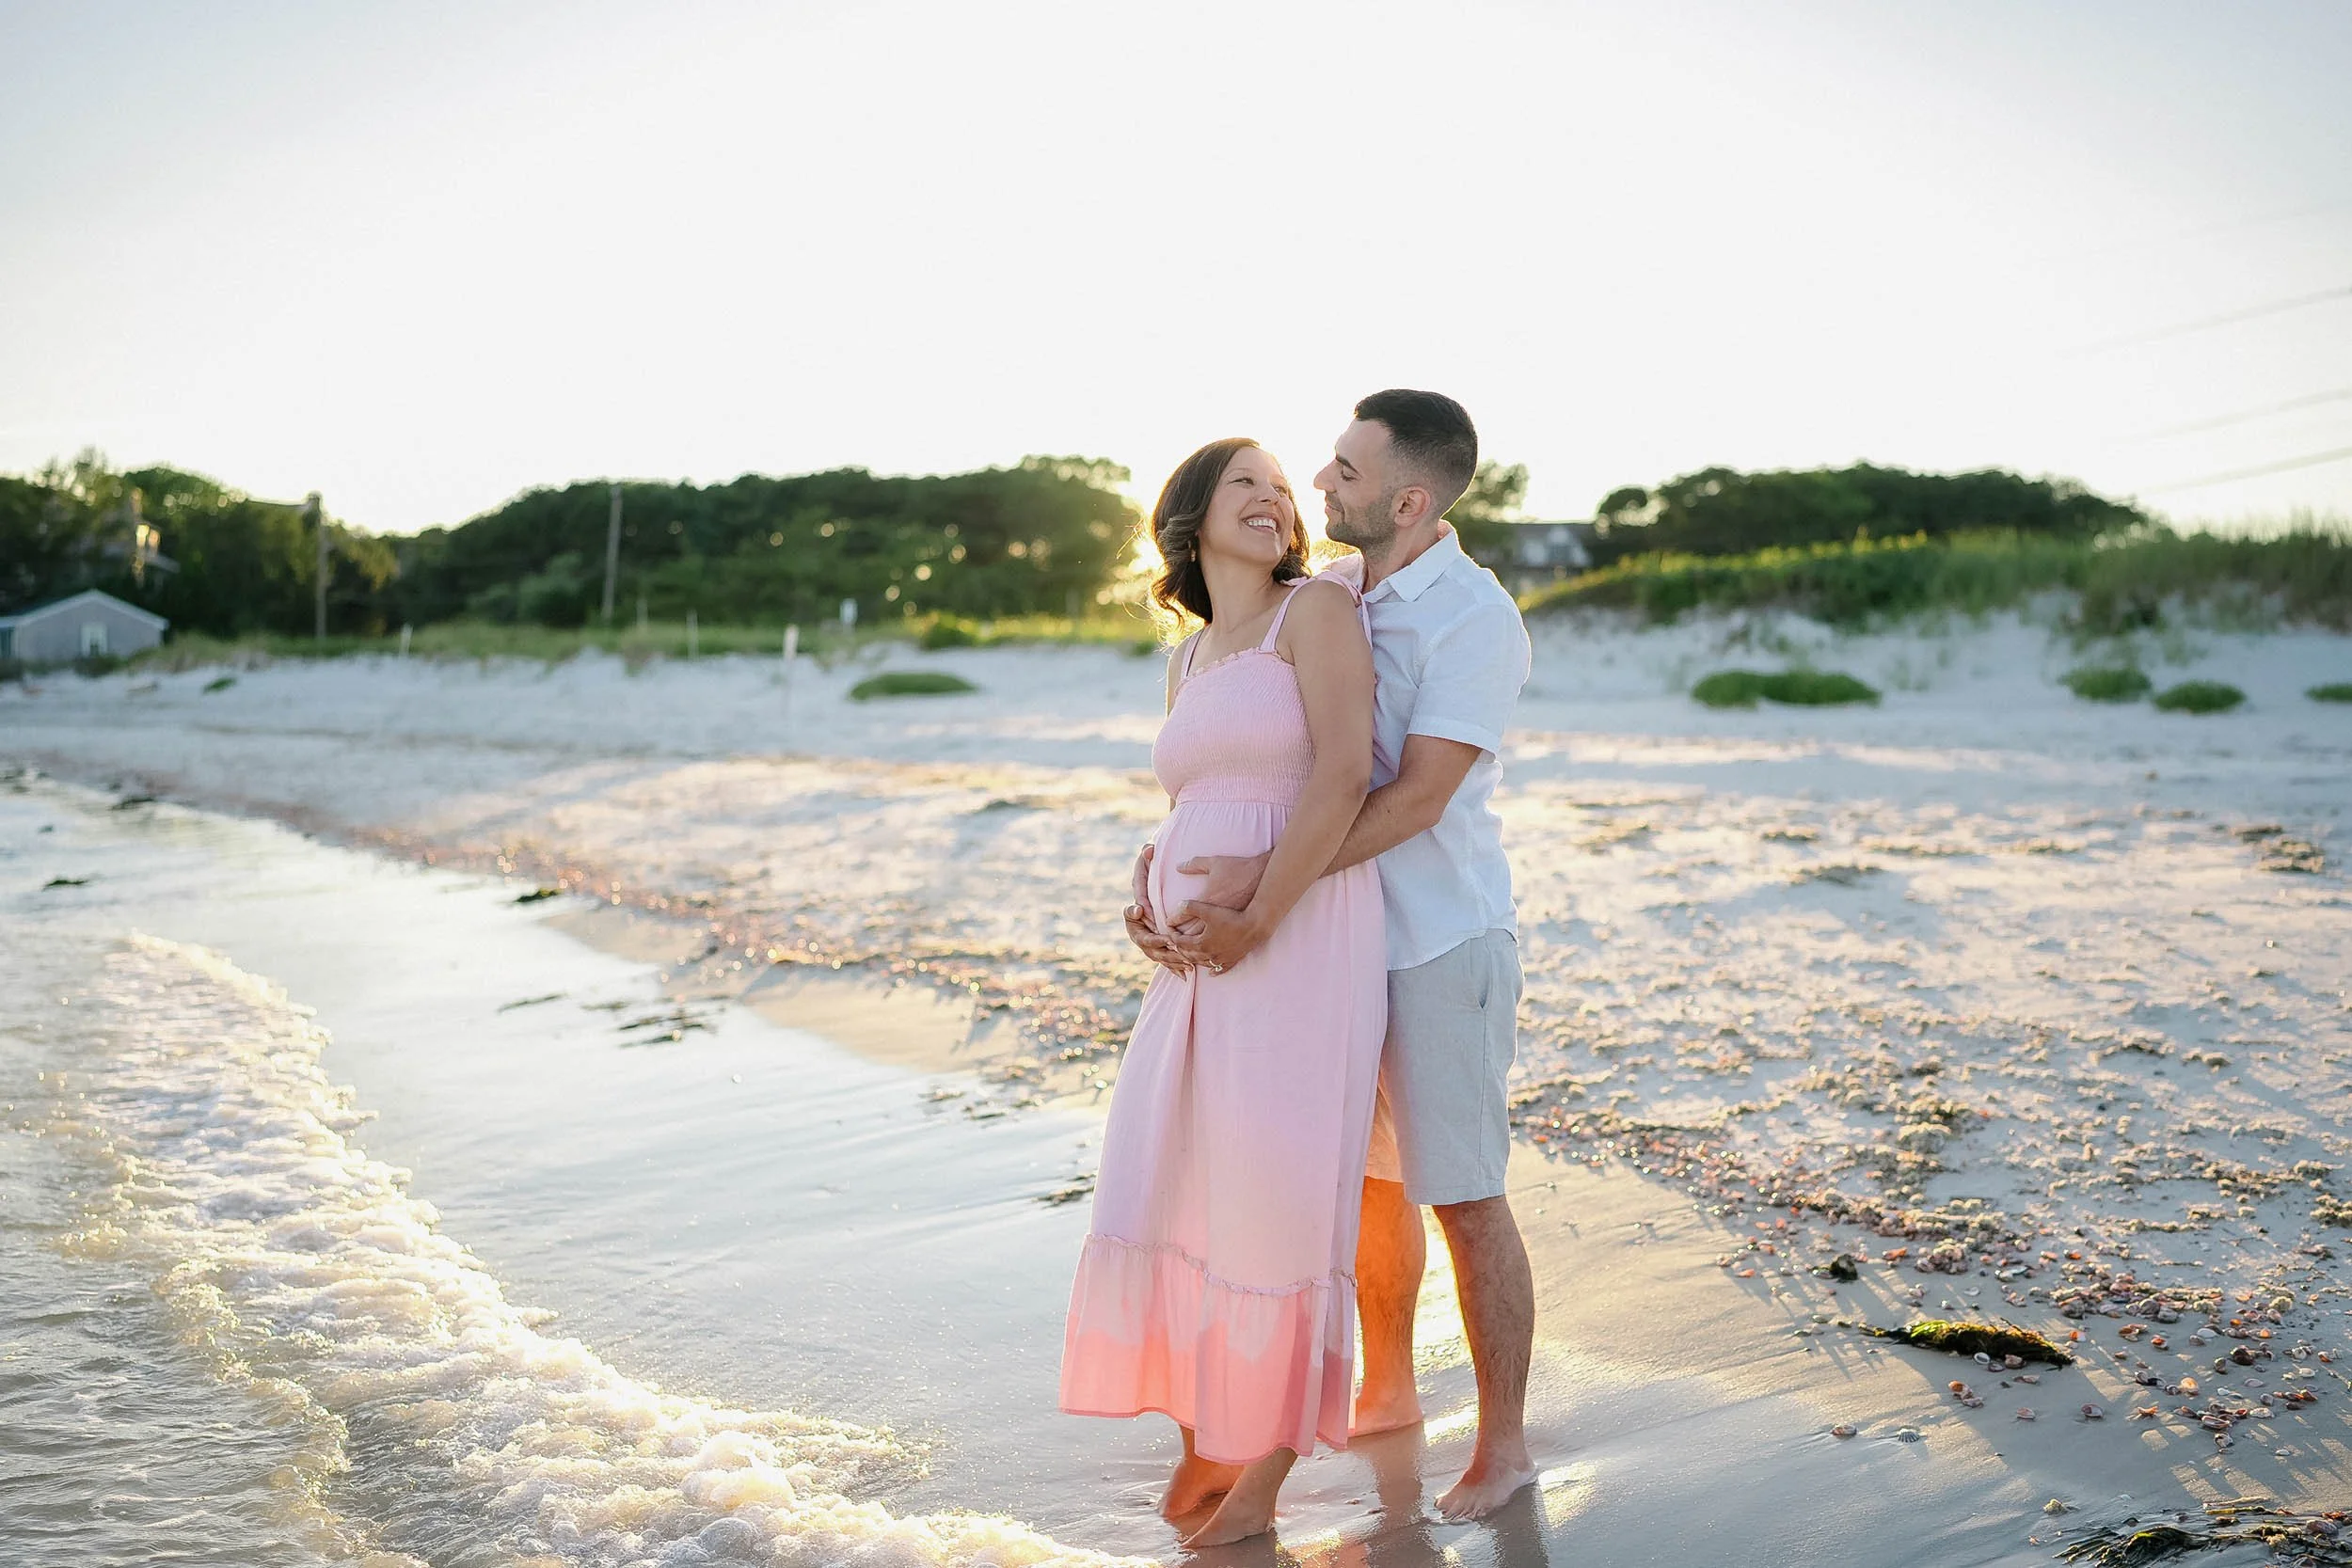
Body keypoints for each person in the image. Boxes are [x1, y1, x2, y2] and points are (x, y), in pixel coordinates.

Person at [1132, 389, 1538, 1521]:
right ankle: (1391, 1385)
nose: (1317, 484)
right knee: (1362, 1189)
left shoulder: (1473, 616)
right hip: (1330, 943)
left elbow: (1409, 795)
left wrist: (1262, 897)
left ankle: (1502, 1444)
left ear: (1408, 498)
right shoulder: (1337, 588)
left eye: (1345, 471)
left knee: (1459, 1190)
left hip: (1438, 935)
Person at [1059, 437, 1386, 1548]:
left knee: (1285, 1190)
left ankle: (1267, 1476)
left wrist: (1258, 911)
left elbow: (1344, 774)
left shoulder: (1317, 616)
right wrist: (1144, 884)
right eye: (1246, 482)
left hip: (1299, 931)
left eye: (1283, 488)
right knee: (1184, 1172)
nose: (1275, 499)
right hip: (1196, 960)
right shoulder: (1190, 657)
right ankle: (1211, 1428)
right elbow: (1190, 797)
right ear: (1190, 517)